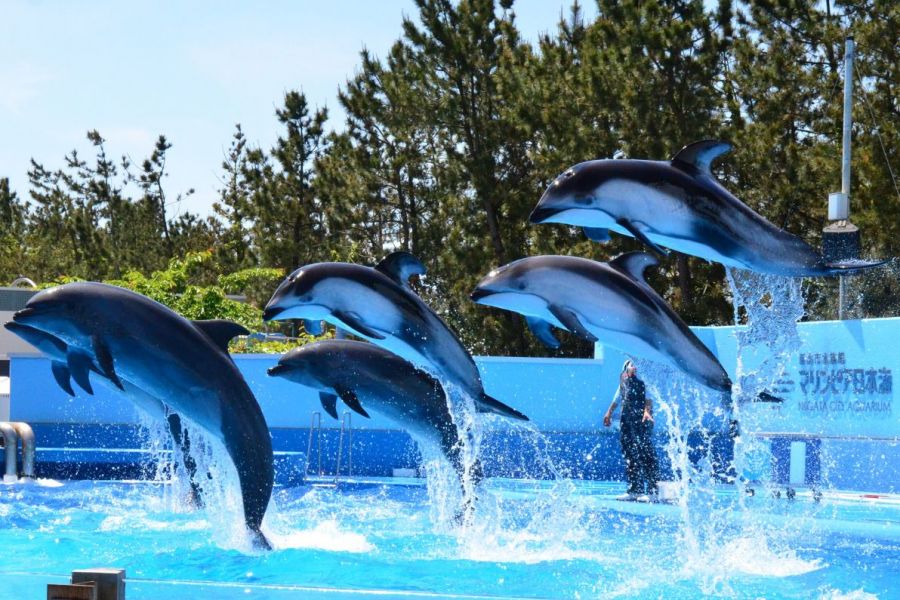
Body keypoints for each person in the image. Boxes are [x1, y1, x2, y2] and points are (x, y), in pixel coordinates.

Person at [603, 360, 659, 501]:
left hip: (642, 419)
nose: (634, 367)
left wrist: (647, 412)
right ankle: (635, 490)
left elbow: (649, 397)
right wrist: (609, 412)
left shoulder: (644, 379)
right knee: (629, 453)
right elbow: (617, 397)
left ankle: (653, 491)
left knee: (645, 452)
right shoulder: (624, 379)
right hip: (627, 419)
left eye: (634, 366)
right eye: (631, 366)